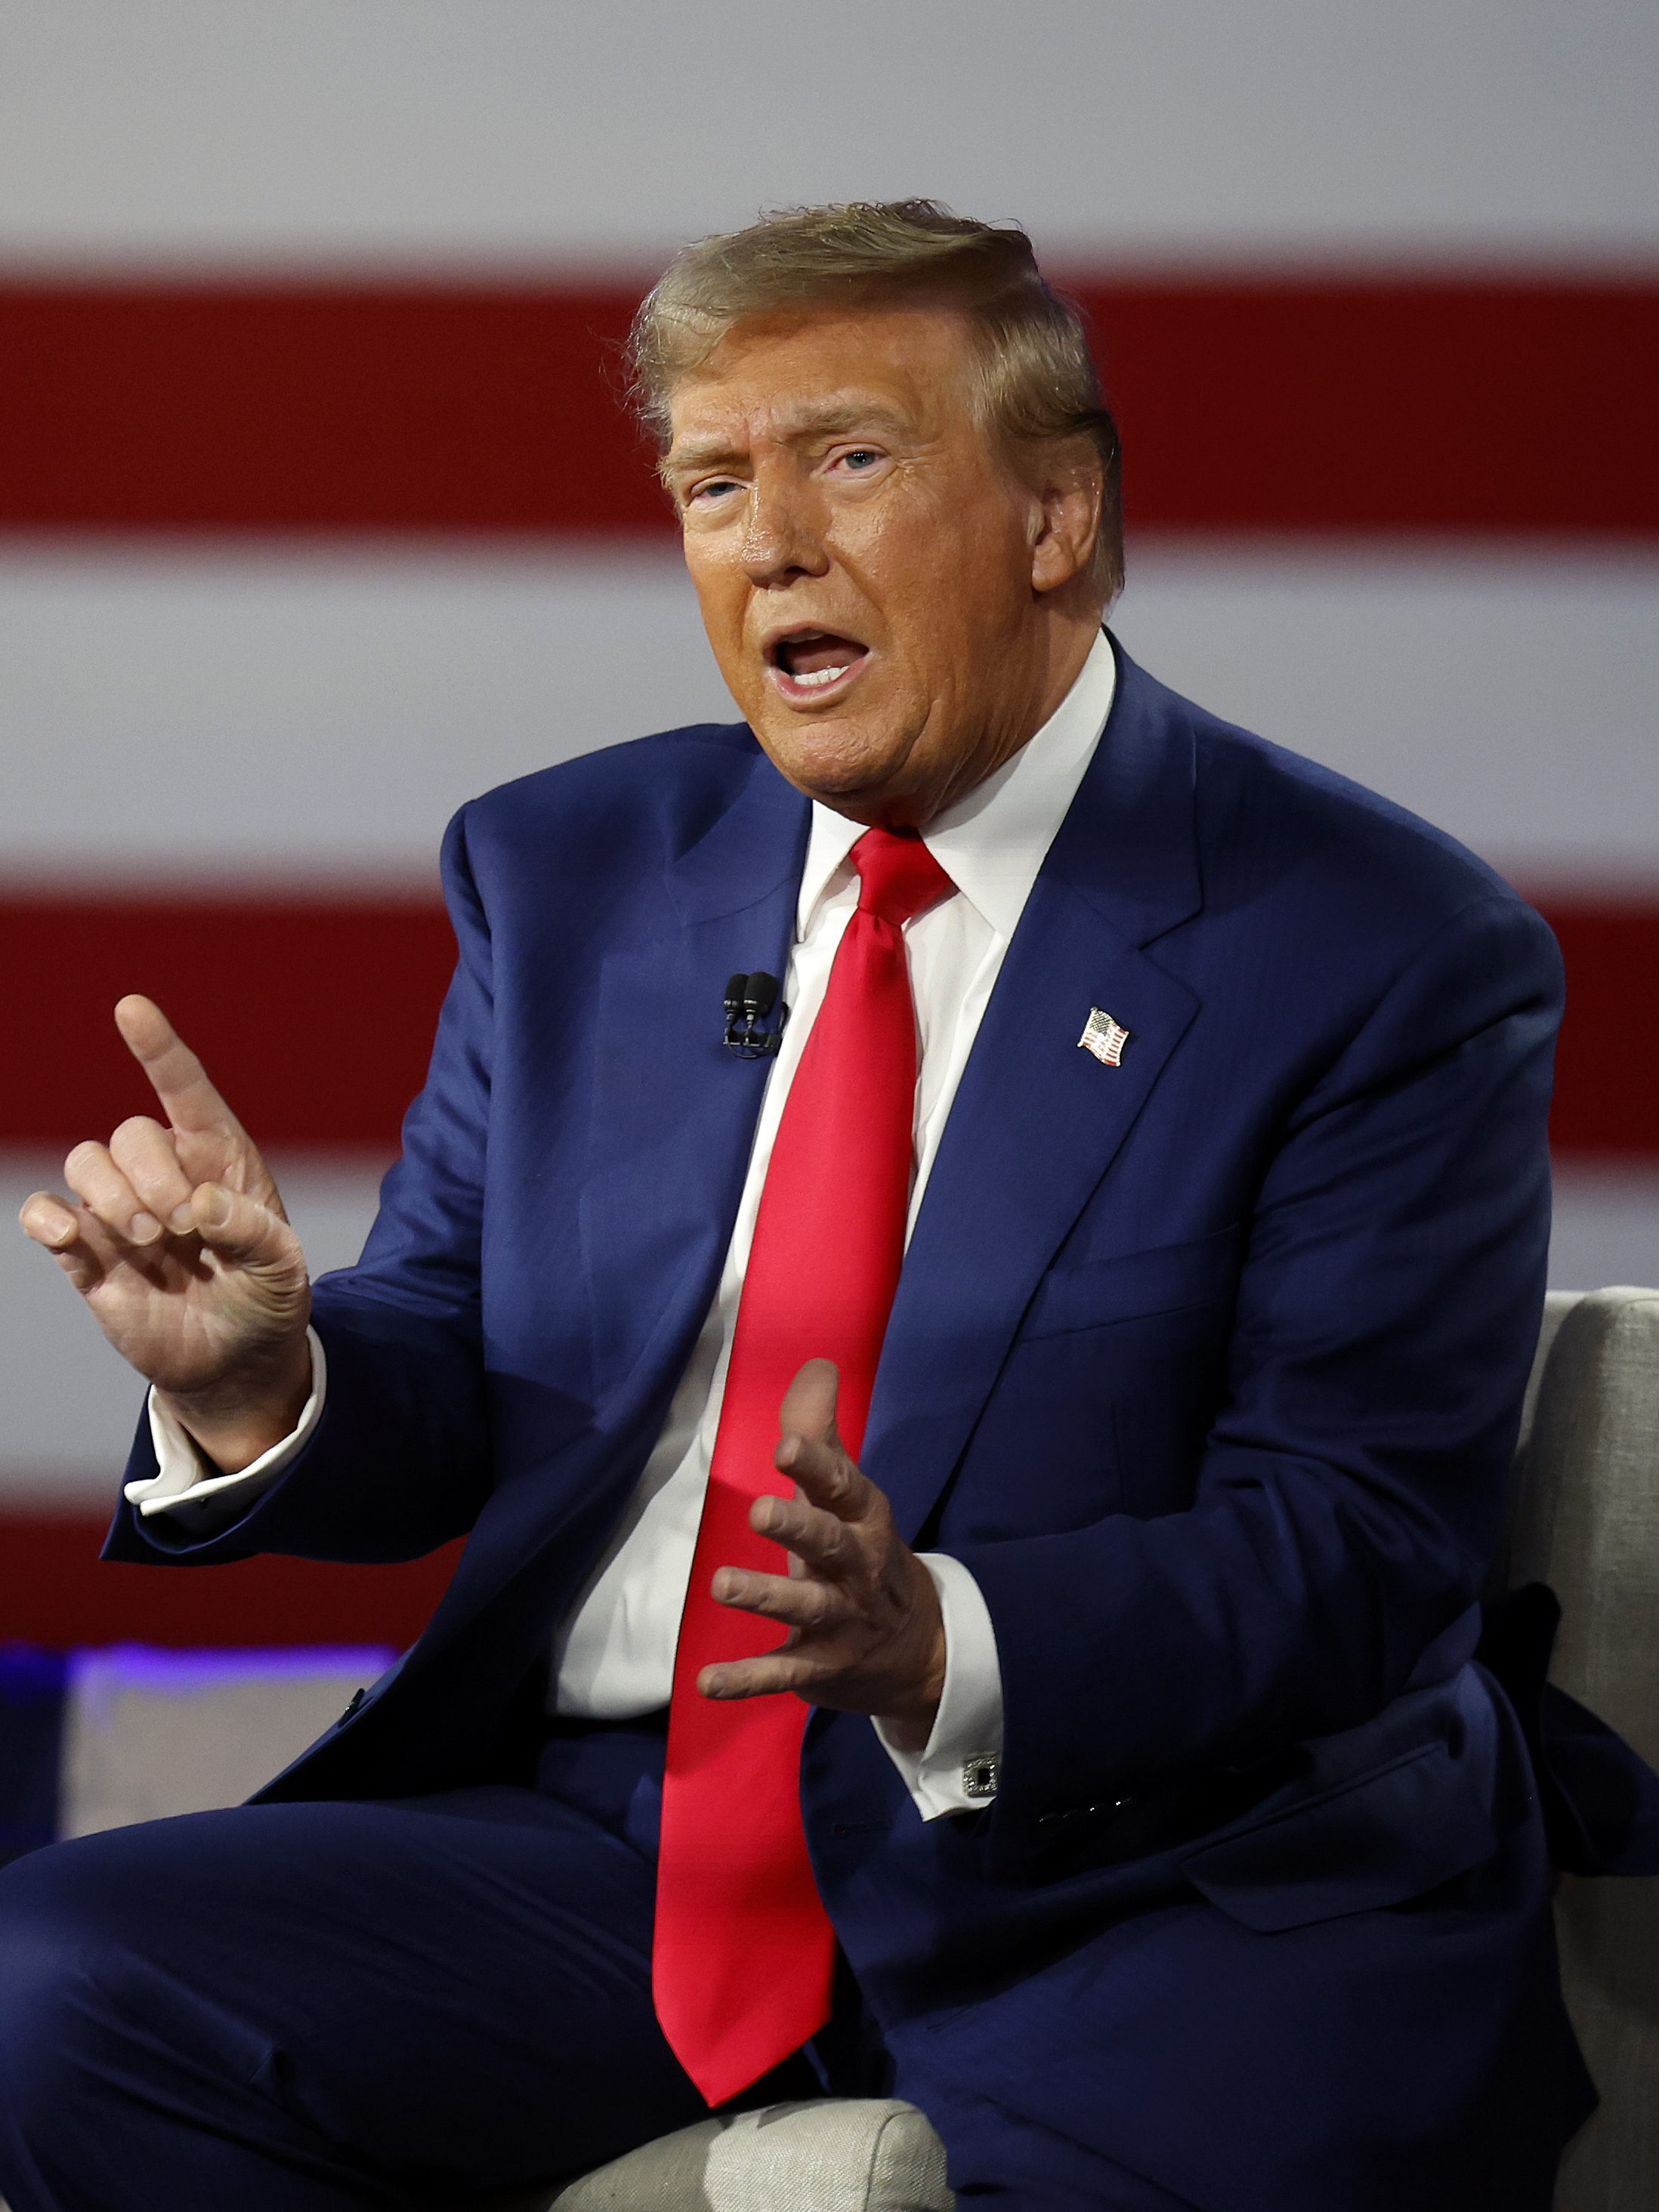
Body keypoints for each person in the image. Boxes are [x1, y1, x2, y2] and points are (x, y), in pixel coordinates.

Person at [0, 202, 1596, 2210]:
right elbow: (476, 1385)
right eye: (711, 483)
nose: (769, 542)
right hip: (616, 1843)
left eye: (848, 459)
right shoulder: (575, 870)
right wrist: (269, 1379)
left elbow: (1358, 1545)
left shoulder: (1367, 946)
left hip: (1130, 1882)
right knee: (60, 1991)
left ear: (1054, 519)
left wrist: (939, 1633)